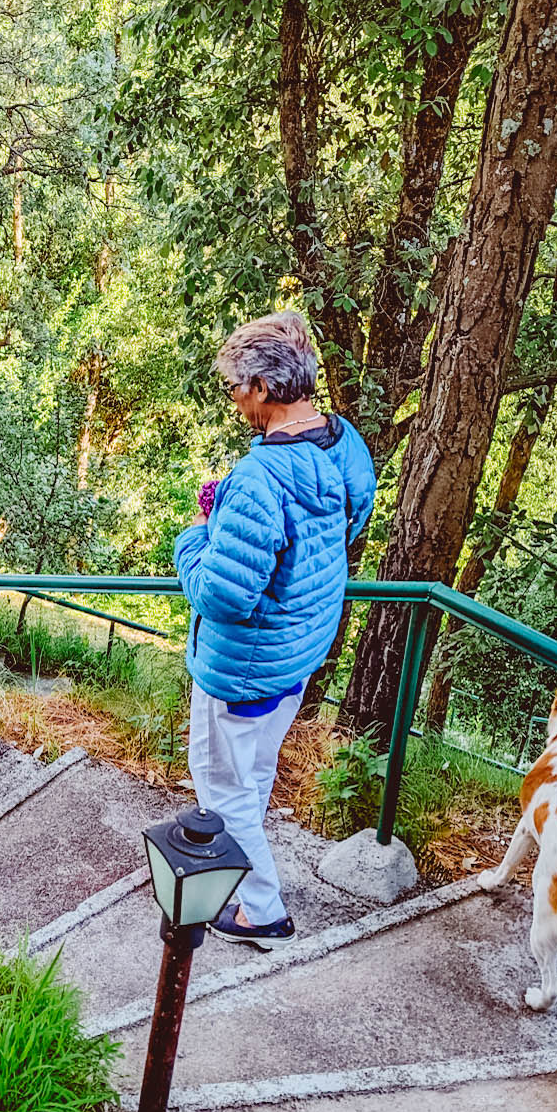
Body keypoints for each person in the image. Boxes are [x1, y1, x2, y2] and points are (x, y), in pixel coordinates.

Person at [174, 313, 376, 948]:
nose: (233, 399)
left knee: (223, 787)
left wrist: (196, 537)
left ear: (262, 387)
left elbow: (223, 596)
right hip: (300, 650)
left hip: (244, 667)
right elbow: (353, 517)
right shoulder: (343, 442)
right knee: (253, 776)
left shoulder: (259, 477)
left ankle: (260, 911)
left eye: (235, 386)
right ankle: (247, 869)